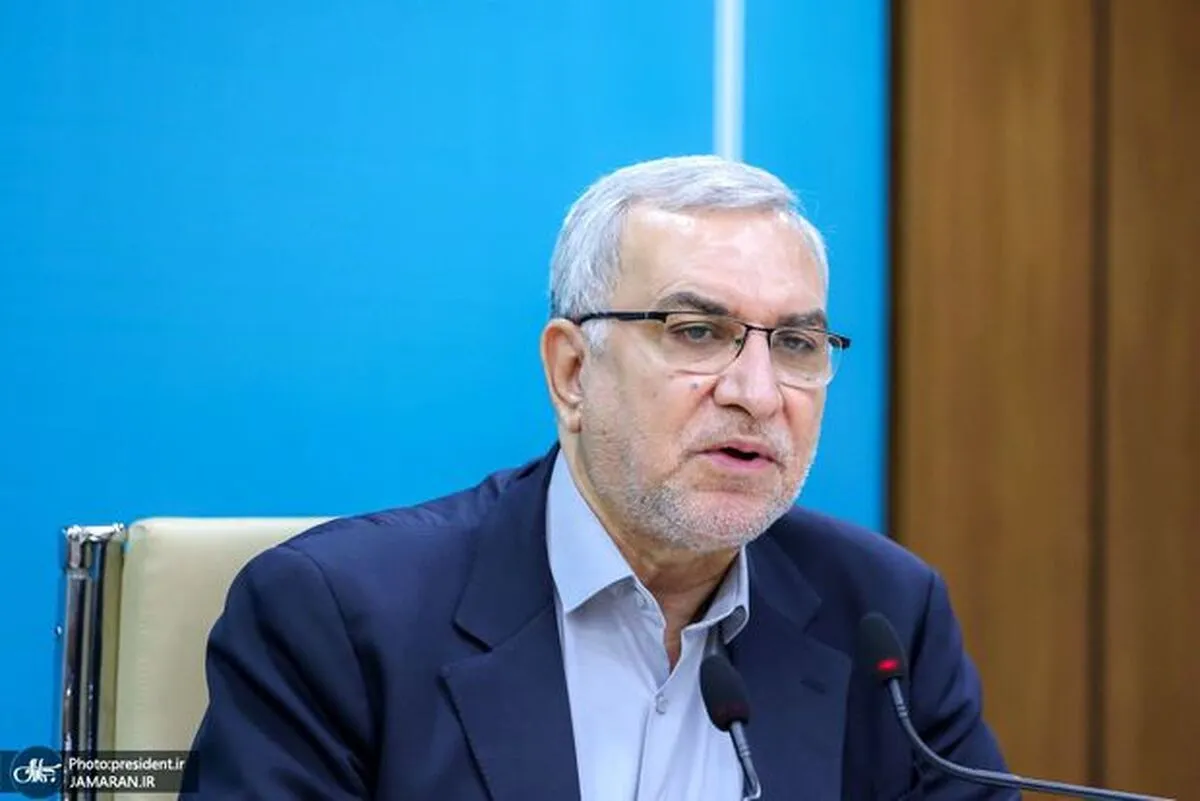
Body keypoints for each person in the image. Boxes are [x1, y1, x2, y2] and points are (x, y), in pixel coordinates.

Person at [183, 155, 1014, 800]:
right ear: (572, 371)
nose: (758, 394)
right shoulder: (338, 617)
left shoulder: (884, 616)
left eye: (796, 344)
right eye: (697, 331)